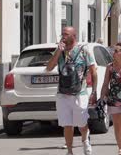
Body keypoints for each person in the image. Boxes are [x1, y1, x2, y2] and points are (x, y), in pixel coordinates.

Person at [47, 27, 97, 155]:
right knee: (67, 124)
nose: (63, 36)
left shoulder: (84, 51)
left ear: (73, 36)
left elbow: (93, 71)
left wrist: (94, 92)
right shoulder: (59, 51)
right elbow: (49, 68)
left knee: (81, 123)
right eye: (62, 34)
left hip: (80, 93)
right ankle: (70, 151)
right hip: (62, 93)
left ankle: (85, 139)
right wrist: (58, 51)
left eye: (66, 34)